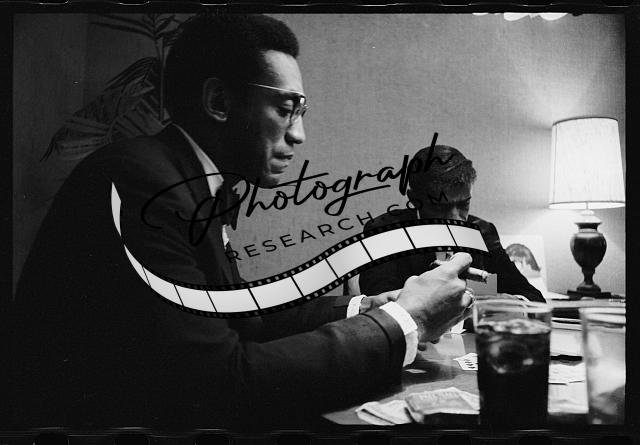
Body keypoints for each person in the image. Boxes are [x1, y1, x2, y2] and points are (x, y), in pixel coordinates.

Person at [11, 14, 474, 429]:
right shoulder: (145, 185)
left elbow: (242, 318)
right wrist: (406, 319)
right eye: (286, 109)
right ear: (218, 101)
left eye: (301, 111)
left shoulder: (185, 179)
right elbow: (219, 383)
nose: (299, 134)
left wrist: (365, 307)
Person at [359, 145, 545, 303]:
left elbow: (531, 296)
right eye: (441, 207)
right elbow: (380, 308)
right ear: (414, 199)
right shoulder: (383, 233)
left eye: (464, 205)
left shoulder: (482, 232)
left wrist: (511, 302)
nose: (455, 219)